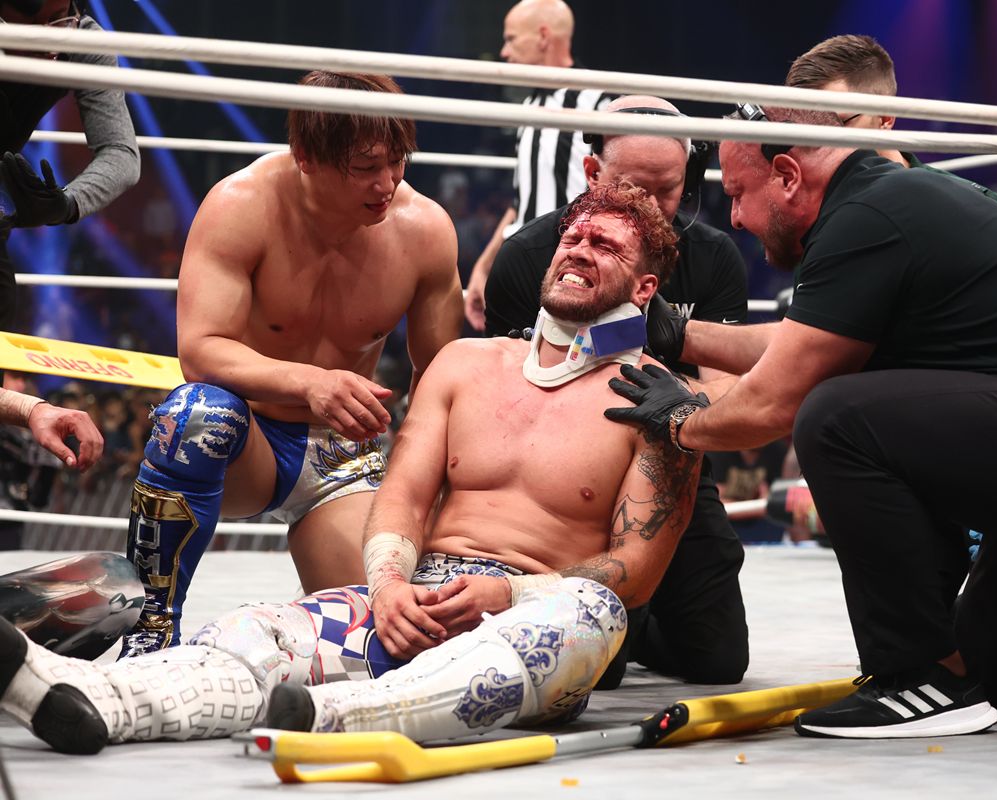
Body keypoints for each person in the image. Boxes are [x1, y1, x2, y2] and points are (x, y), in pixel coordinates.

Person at [0, 181, 701, 755]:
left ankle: (343, 714)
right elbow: (402, 496)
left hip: (531, 621)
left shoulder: (661, 404)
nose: (578, 251)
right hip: (420, 597)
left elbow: (635, 573)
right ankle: (89, 697)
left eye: (604, 245)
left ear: (644, 289)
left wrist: (507, 594)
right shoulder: (466, 365)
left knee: (590, 610)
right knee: (258, 632)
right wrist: (390, 587)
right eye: (572, 238)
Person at [608, 103, 997, 738]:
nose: (734, 217)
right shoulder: (881, 203)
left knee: (834, 415)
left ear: (787, 175)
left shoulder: (867, 216)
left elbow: (777, 400)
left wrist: (682, 421)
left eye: (738, 193)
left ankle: (917, 675)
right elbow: (801, 343)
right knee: (995, 673)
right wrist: (679, 336)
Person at [120, 71, 463, 658]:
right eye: (365, 167)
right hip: (246, 443)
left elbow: (441, 380)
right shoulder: (242, 205)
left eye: (397, 161)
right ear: (306, 156)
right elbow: (201, 349)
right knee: (196, 415)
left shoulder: (425, 230)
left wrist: (416, 488)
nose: (387, 182)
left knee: (390, 643)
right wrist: (309, 382)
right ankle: (150, 630)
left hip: (342, 457)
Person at [485, 95, 750, 685]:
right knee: (595, 670)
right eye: (632, 187)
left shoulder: (712, 258)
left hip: (670, 461)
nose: (650, 206)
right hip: (559, 476)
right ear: (592, 172)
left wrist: (675, 395)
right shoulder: (529, 257)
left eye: (668, 190)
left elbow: (732, 398)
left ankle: (640, 627)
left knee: (718, 659)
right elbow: (496, 397)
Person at [462, 0, 612, 331]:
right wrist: (484, 266)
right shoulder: (530, 104)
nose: (504, 52)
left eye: (511, 39)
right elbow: (522, 201)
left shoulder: (598, 103)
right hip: (522, 262)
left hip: (574, 266)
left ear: (543, 36)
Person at [0, 0, 141, 330]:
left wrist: (65, 204)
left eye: (59, 19)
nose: (50, 39)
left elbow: (121, 153)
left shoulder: (80, 37)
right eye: (32, 27)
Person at [785, 34, 997, 203]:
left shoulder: (969, 205)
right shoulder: (799, 208)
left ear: (884, 119)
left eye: (837, 123)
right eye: (807, 129)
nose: (818, 145)